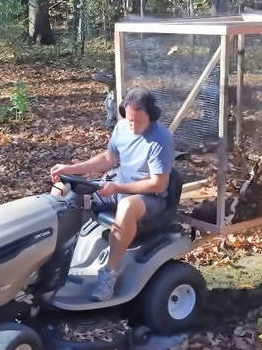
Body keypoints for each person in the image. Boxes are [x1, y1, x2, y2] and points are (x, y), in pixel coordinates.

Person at [49, 88, 174, 302]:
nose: (133, 126)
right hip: (118, 185)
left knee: (126, 207)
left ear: (151, 117)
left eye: (139, 122)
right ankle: (54, 263)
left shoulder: (161, 139)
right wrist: (69, 169)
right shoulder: (122, 127)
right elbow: (108, 159)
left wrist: (117, 188)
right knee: (62, 191)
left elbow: (158, 184)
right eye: (129, 120)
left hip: (149, 198)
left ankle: (108, 276)